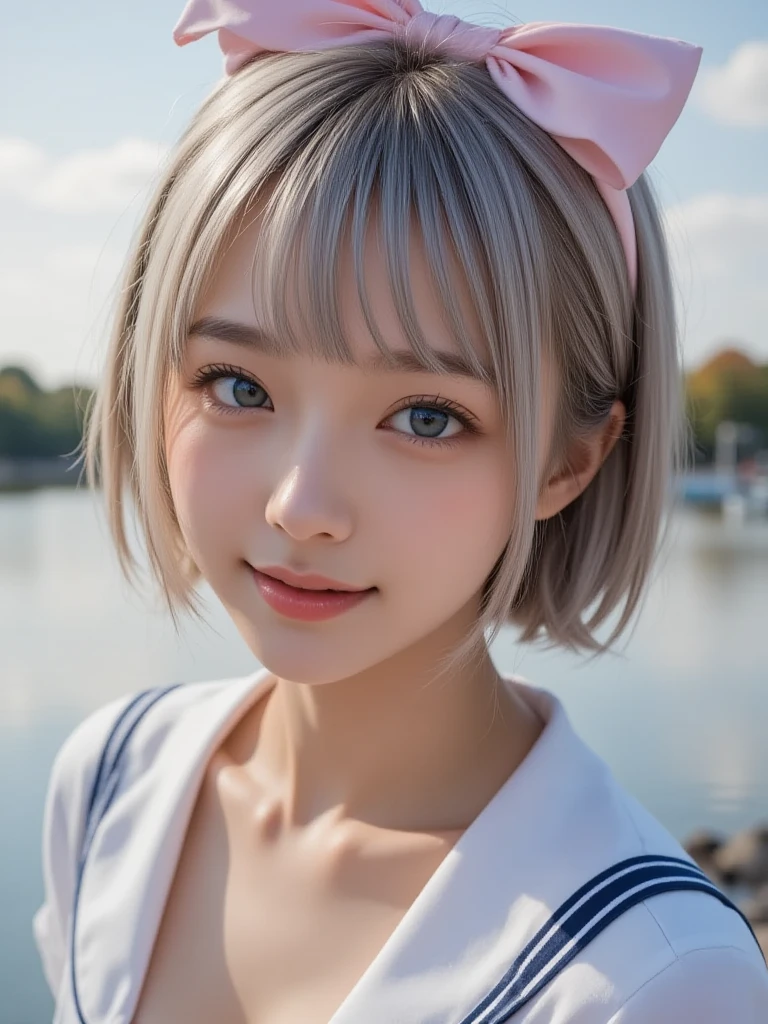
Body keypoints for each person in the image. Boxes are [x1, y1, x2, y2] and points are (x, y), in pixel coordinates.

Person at [32, 2, 768, 1021]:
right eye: (238, 385)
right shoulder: (108, 779)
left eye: (427, 417)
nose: (302, 507)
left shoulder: (657, 973)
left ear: (570, 460)